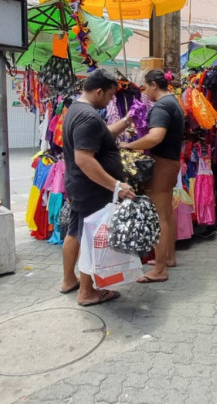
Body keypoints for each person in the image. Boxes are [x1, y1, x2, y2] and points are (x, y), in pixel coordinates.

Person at [60, 69, 136, 306]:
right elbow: (84, 159)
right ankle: (87, 291)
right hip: (91, 189)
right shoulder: (89, 117)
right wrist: (116, 186)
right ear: (99, 91)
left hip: (79, 186)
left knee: (75, 233)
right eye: (111, 95)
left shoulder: (77, 109)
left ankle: (68, 280)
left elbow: (101, 136)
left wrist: (125, 122)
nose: (112, 99)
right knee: (90, 238)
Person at [120, 70, 185, 283]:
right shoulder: (173, 102)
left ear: (154, 85)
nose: (144, 92)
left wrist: (129, 145)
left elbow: (155, 136)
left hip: (163, 164)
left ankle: (159, 270)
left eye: (145, 87)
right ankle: (168, 259)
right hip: (171, 162)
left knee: (160, 217)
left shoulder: (162, 106)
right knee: (166, 213)